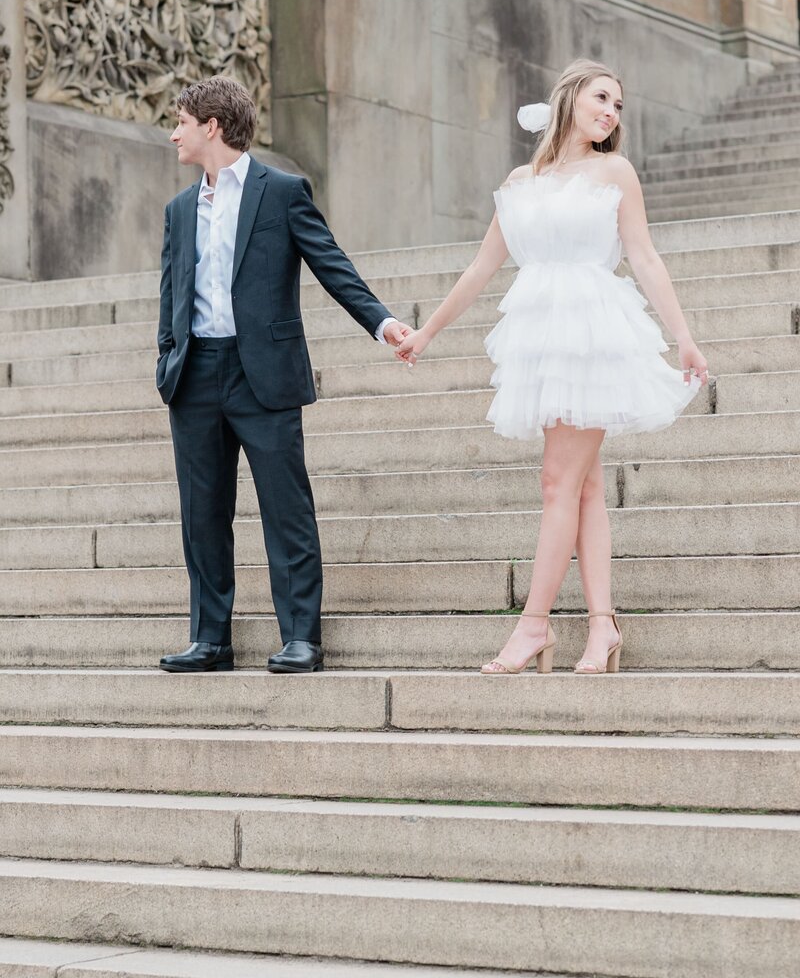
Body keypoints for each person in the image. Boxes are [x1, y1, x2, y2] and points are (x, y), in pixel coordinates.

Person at [395, 58, 709, 675]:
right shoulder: (521, 180)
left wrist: (684, 338)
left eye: (619, 106)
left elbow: (643, 257)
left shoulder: (615, 171)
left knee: (557, 484)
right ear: (569, 97)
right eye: (602, 98)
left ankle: (533, 627)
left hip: (592, 333)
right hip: (540, 339)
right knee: (584, 487)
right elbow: (482, 266)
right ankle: (602, 628)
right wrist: (427, 332)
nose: (611, 113)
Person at [156, 76, 411, 674]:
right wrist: (167, 358)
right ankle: (211, 639)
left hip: (262, 373)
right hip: (194, 376)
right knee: (202, 513)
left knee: (285, 506)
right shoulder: (178, 209)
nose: (174, 133)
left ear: (211, 126)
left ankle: (301, 636)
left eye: (182, 122)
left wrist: (383, 323)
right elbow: (171, 291)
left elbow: (331, 262)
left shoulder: (282, 192)